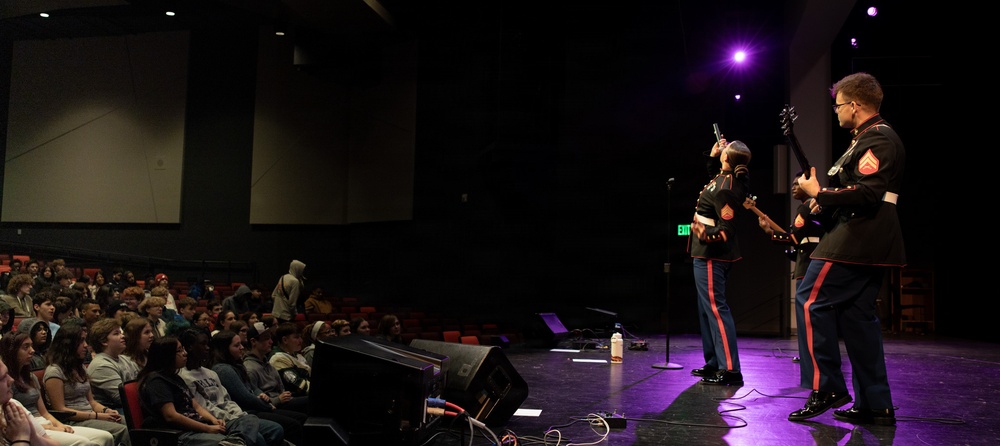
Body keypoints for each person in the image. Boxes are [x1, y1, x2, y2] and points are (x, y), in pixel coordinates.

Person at [787, 72, 904, 426]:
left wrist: (818, 194)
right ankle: (875, 402)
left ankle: (827, 387)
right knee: (857, 319)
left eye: (838, 106)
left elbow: (868, 193)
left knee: (808, 299)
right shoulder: (862, 141)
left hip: (858, 238)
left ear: (854, 105)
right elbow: (848, 189)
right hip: (864, 238)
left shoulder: (879, 139)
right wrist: (815, 198)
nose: (836, 112)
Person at [687, 136, 752, 386]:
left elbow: (726, 229)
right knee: (707, 311)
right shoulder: (725, 179)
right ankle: (714, 362)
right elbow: (715, 184)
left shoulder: (728, 186)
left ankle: (731, 369)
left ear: (728, 159)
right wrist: (715, 157)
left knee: (716, 310)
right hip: (704, 253)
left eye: (725, 151)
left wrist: (706, 235)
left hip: (712, 254)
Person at [757, 173, 826, 363]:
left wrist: (769, 232)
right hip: (811, 263)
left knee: (807, 314)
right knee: (811, 314)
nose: (793, 187)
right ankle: (810, 354)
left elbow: (793, 239)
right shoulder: (814, 207)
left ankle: (809, 355)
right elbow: (798, 243)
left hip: (808, 267)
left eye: (797, 184)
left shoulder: (805, 208)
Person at [1, 332, 115, 446]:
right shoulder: (5, 386)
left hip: (45, 423)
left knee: (105, 437)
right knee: (84, 443)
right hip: (30, 426)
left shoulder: (31, 377)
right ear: (12, 351)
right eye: (26, 347)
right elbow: (14, 423)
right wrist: (51, 428)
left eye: (31, 346)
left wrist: (59, 425)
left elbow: (44, 412)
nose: (32, 350)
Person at [177, 328, 284, 446]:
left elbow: (226, 400)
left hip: (234, 416)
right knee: (258, 438)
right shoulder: (183, 376)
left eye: (208, 344)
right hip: (217, 420)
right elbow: (203, 407)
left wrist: (239, 415)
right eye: (203, 344)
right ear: (190, 347)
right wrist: (232, 418)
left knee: (275, 429)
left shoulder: (211, 373)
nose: (208, 348)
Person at [136, 336, 250, 446]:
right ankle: (233, 441)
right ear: (167, 355)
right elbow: (171, 416)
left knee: (249, 420)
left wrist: (214, 420)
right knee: (233, 441)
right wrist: (208, 428)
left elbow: (197, 407)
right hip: (181, 433)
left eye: (183, 349)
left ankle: (234, 440)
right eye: (179, 351)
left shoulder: (176, 377)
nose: (185, 353)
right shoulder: (156, 381)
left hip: (198, 425)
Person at [210, 330, 306, 445]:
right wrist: (268, 405)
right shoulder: (224, 370)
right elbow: (245, 398)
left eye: (241, 344)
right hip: (247, 412)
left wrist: (261, 394)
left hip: (258, 406)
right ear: (224, 349)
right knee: (292, 424)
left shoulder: (236, 364)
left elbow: (252, 387)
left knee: (300, 417)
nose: (241, 347)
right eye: (236, 345)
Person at [41, 324, 131, 446]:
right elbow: (60, 409)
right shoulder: (54, 371)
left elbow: (92, 402)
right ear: (68, 344)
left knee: (130, 422)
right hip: (72, 420)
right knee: (122, 430)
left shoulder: (80, 367)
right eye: (81, 341)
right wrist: (97, 416)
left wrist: (106, 410)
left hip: (90, 415)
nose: (85, 346)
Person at [242, 325, 307, 415]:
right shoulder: (250, 369)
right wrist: (277, 400)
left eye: (271, 338)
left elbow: (281, 388)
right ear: (253, 341)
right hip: (271, 407)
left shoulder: (266, 362)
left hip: (283, 400)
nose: (271, 342)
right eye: (266, 338)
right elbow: (253, 401)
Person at [0, 354, 61, 446]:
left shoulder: (13, 405)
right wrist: (20, 438)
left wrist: (33, 436)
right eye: (3, 377)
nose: (11, 380)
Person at [85, 318, 139, 412]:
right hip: (115, 411)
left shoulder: (125, 358)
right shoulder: (101, 365)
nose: (123, 336)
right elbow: (122, 398)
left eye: (121, 333)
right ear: (104, 341)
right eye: (116, 333)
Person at [267, 324, 310, 397]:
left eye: (300, 337)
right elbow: (297, 385)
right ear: (285, 340)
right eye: (296, 337)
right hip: (294, 399)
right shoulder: (278, 358)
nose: (301, 340)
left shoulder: (295, 355)